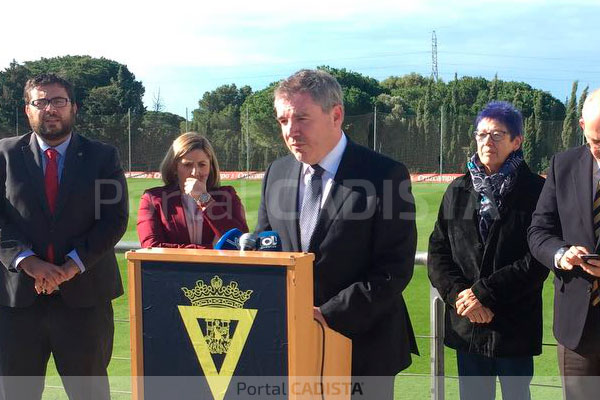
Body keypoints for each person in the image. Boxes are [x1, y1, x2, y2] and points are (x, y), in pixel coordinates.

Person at [256, 69, 418, 399]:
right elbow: (265, 247)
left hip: (364, 350)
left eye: (302, 118)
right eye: (283, 120)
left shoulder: (385, 175)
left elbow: (394, 269)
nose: (291, 131)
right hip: (291, 349)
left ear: (336, 115)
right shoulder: (277, 173)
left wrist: (326, 315)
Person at [0, 74, 128, 399]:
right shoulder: (4, 155)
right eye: (40, 102)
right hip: (17, 305)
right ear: (27, 109)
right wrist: (28, 262)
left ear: (74, 107)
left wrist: (71, 266)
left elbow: (113, 220)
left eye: (58, 101)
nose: (50, 109)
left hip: (85, 303)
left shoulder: (103, 157)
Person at [428, 101, 548, 400]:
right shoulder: (457, 189)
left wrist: (483, 293)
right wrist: (461, 296)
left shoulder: (537, 191)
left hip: (514, 324)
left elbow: (537, 258)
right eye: (481, 134)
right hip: (468, 323)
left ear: (516, 141)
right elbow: (438, 251)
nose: (487, 142)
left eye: (496, 134)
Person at [528, 88, 600, 399]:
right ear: (582, 127)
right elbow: (538, 231)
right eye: (597, 141)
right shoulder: (564, 165)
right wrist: (561, 254)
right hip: (578, 328)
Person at [137, 132, 248, 248]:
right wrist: (212, 249)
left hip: (217, 267)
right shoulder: (153, 199)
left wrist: (204, 198)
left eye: (202, 164)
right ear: (174, 167)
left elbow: (241, 241)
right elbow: (151, 247)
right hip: (172, 267)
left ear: (210, 167)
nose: (195, 172)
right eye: (187, 165)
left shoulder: (227, 196)